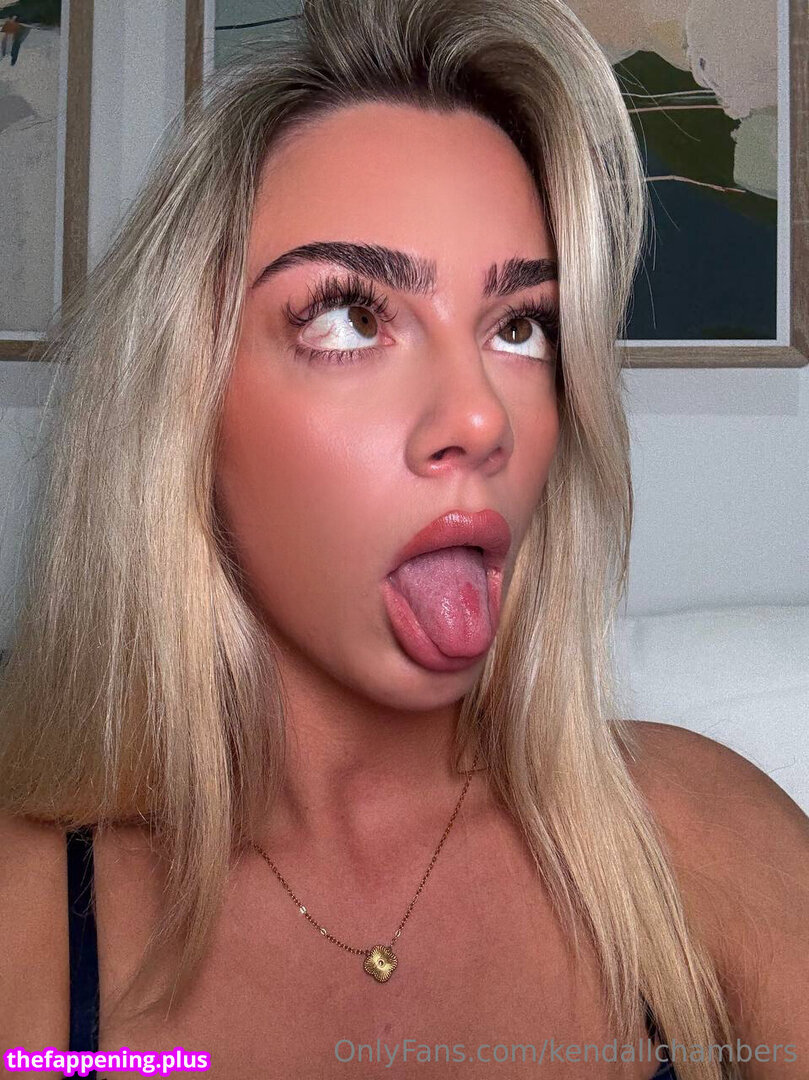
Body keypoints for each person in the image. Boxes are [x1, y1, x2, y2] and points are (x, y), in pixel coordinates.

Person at [0, 0, 806, 1076]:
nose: (478, 416)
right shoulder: (28, 914)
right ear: (183, 404)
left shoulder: (707, 841)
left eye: (519, 326)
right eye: (349, 316)